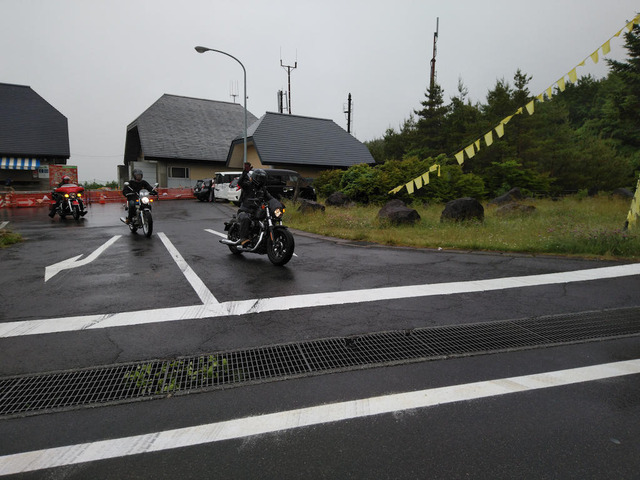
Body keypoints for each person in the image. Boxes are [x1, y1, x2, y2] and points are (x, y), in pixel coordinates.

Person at [236, 163, 274, 245]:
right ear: (255, 178)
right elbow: (240, 183)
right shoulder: (248, 186)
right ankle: (243, 238)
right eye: (259, 178)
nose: (261, 180)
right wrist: (245, 173)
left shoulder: (263, 189)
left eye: (263, 179)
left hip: (256, 212)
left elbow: (270, 198)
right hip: (245, 211)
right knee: (245, 218)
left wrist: (277, 203)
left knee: (268, 219)